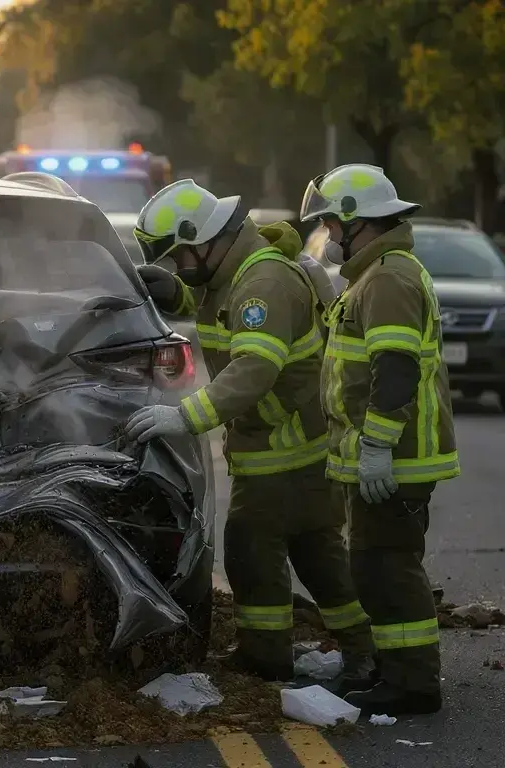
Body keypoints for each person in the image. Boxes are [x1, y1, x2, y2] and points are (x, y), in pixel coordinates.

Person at [126, 179, 374, 685]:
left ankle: (267, 656)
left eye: (180, 257)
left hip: (285, 450)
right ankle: (364, 648)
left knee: (251, 545)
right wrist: (175, 293)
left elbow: (253, 370)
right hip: (291, 443)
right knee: (316, 552)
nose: (179, 268)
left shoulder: (263, 284)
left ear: (201, 240)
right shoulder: (240, 271)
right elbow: (216, 303)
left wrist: (185, 417)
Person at [298, 163, 460, 715]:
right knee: (376, 567)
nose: (328, 236)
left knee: (388, 568)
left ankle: (413, 683)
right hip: (385, 455)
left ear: (357, 222)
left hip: (396, 457)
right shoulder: (376, 274)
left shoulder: (388, 278)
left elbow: (394, 371)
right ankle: (396, 671)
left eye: (331, 225)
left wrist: (376, 447)